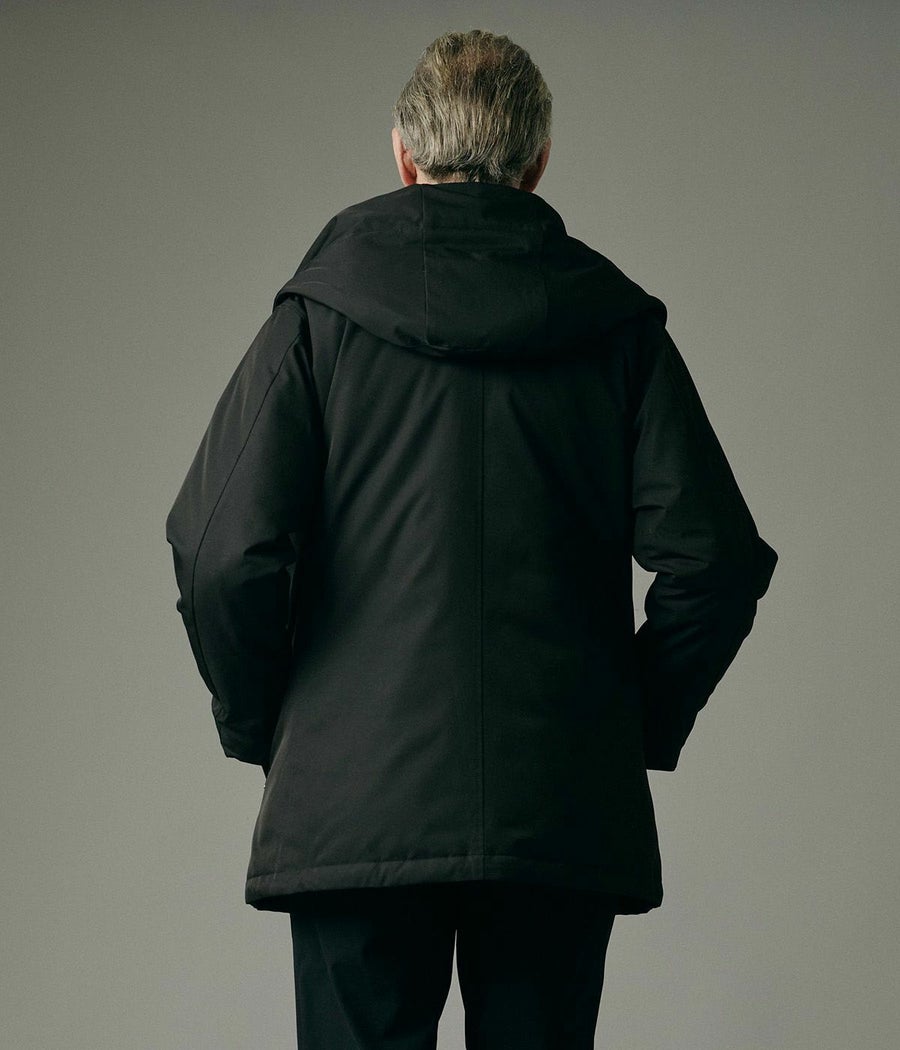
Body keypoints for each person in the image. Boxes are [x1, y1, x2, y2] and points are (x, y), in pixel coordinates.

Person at [165, 28, 777, 1050]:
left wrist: (265, 718)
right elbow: (713, 561)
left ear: (404, 154)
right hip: (556, 803)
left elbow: (220, 553)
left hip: (354, 802)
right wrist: (628, 719)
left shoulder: (316, 323)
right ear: (538, 162)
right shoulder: (619, 331)